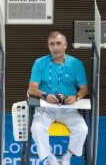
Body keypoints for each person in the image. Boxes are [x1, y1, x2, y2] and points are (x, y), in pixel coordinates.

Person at [28, 31, 89, 165]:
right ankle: (51, 159)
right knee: (36, 128)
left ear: (65, 45)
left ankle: (66, 157)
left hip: (68, 109)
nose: (55, 47)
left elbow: (84, 88)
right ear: (48, 46)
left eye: (59, 43)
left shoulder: (76, 64)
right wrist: (45, 95)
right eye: (52, 44)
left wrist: (76, 97)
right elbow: (31, 88)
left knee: (82, 129)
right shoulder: (40, 62)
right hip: (46, 108)